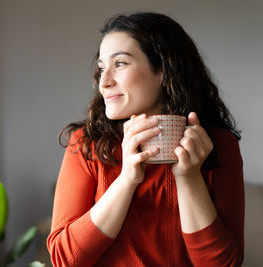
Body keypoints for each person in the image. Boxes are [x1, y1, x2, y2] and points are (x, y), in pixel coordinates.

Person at [47, 12, 244, 267]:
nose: (104, 82)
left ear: (163, 70)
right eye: (101, 68)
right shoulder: (86, 144)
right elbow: (65, 260)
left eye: (120, 64)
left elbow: (224, 265)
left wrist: (189, 177)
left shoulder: (218, 145)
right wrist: (127, 179)